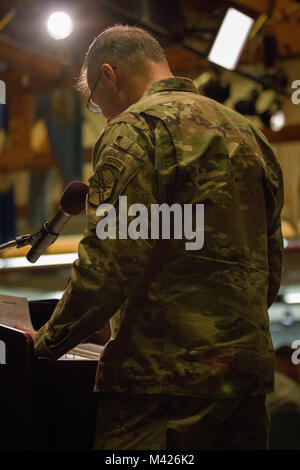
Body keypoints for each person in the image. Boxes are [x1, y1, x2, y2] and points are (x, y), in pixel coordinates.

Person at [23, 25, 284, 450]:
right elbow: (270, 269)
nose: (102, 114)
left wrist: (45, 344)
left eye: (94, 103)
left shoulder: (134, 130)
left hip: (161, 391)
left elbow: (109, 263)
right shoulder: (249, 134)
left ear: (109, 74)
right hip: (244, 384)